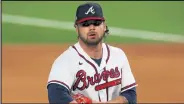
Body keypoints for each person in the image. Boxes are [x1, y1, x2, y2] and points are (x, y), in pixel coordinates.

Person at [47, 2, 138, 104]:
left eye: (96, 23)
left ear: (104, 26)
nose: (91, 28)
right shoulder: (65, 61)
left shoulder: (118, 55)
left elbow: (130, 95)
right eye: (85, 24)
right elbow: (56, 96)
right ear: (77, 29)